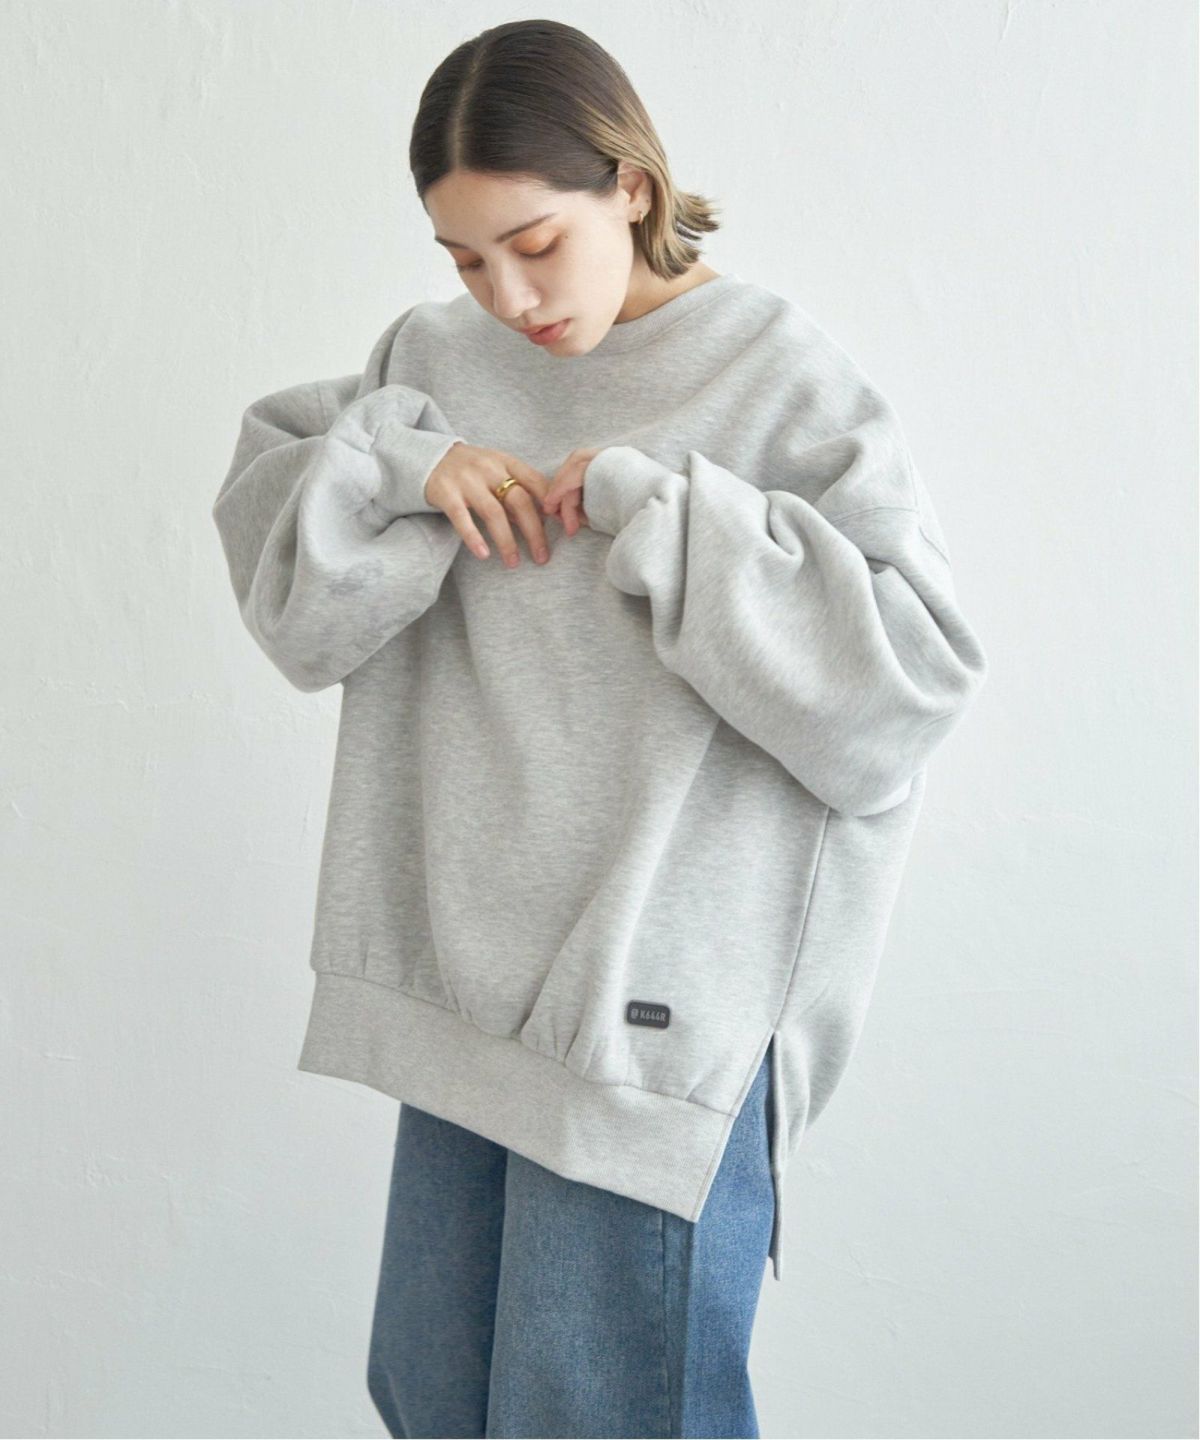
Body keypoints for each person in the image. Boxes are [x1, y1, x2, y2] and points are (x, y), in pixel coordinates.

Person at [211, 18, 989, 1439]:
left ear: (631, 186)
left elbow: (907, 690)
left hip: (660, 1018)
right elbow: (297, 603)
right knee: (432, 1398)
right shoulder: (429, 361)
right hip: (463, 991)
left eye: (534, 243)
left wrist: (676, 519)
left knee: (602, 1415)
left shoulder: (773, 371)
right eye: (464, 259)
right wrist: (409, 466)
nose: (506, 297)